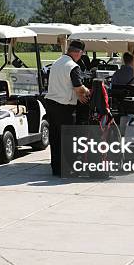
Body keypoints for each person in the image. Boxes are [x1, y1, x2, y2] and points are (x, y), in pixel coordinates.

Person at [45, 39, 89, 176]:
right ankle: (69, 169)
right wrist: (87, 91)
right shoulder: (73, 66)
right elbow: (78, 87)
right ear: (78, 53)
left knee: (55, 138)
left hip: (51, 104)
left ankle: (56, 168)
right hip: (64, 107)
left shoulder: (57, 62)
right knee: (69, 140)